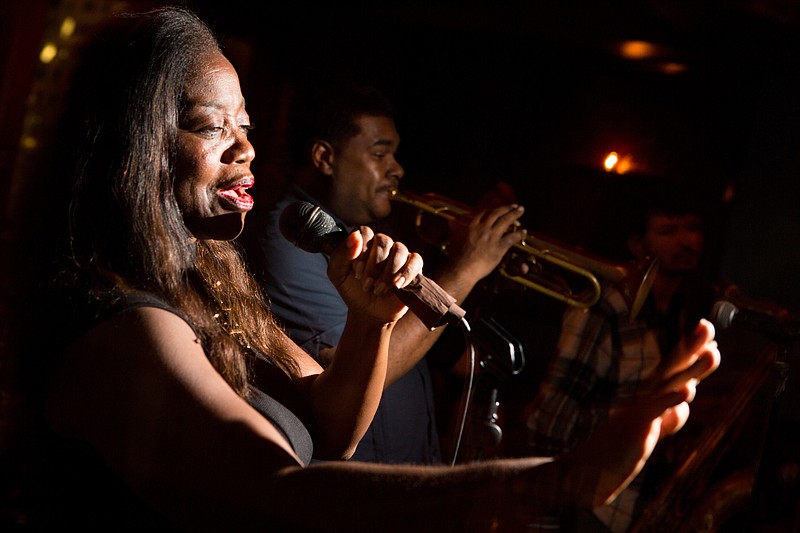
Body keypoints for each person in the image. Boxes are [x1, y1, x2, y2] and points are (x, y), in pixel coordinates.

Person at [2, 7, 720, 531]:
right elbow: (286, 491)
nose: (246, 149)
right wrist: (557, 480)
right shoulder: (122, 328)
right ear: (136, 147)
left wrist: (371, 321)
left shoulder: (210, 289)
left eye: (245, 126)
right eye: (211, 126)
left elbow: (329, 430)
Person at [240, 83, 527, 464]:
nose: (398, 169)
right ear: (325, 157)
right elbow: (359, 367)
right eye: (380, 153)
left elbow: (454, 358)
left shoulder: (365, 233)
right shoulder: (288, 237)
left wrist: (479, 275)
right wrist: (468, 266)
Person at [525, 178, 719, 531]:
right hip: (587, 509)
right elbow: (549, 423)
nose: (685, 242)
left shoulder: (680, 309)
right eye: (668, 231)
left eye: (692, 228)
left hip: (636, 507)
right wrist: (640, 418)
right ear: (637, 242)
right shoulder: (603, 309)